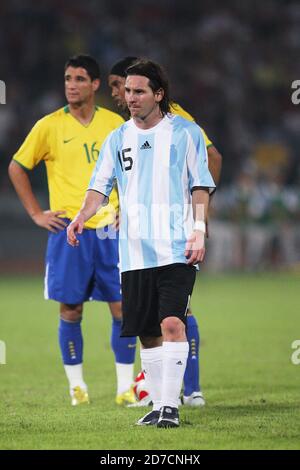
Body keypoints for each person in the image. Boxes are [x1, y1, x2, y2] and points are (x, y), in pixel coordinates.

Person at [67, 59, 216, 428]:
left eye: (138, 91)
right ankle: (156, 402)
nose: (130, 98)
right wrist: (81, 216)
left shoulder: (185, 133)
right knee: (147, 333)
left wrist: (198, 228)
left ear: (158, 94)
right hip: (133, 252)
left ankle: (171, 407)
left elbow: (200, 183)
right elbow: (98, 187)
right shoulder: (117, 138)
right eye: (127, 91)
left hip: (176, 246)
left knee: (170, 324)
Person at [8, 54, 137, 407]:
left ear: (95, 85)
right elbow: (17, 167)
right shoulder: (48, 126)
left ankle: (125, 389)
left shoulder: (116, 124)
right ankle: (76, 388)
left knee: (123, 309)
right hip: (69, 232)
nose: (71, 85)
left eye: (79, 79)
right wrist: (36, 213)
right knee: (70, 310)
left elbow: (132, 171)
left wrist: (127, 208)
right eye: (67, 78)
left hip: (110, 230)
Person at [108, 57, 222, 406]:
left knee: (176, 316)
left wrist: (198, 219)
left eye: (126, 87)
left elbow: (209, 160)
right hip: (139, 241)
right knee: (149, 322)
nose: (120, 95)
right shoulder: (123, 128)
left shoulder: (177, 120)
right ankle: (162, 396)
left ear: (154, 92)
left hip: (174, 234)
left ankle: (189, 388)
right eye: (119, 88)